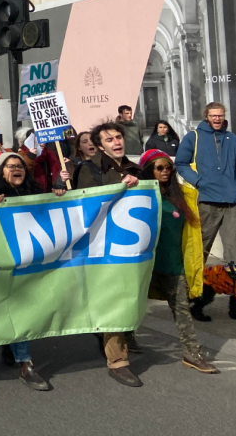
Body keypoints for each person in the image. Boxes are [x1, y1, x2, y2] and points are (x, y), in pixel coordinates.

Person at [0, 151, 66, 391]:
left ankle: (20, 355)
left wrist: (58, 194)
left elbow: (51, 213)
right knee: (14, 309)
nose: (16, 169)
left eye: (20, 166)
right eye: (9, 166)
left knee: (22, 310)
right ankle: (22, 358)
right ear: (0, 171)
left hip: (30, 261)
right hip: (3, 261)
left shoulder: (35, 193)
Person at [72, 121, 143, 387]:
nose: (116, 142)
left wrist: (140, 182)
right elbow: (87, 204)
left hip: (131, 244)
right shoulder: (89, 169)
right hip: (103, 246)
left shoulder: (135, 168)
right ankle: (118, 362)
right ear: (100, 146)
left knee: (128, 293)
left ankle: (121, 335)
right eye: (109, 139)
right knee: (114, 297)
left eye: (118, 137)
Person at [138, 149, 219, 373]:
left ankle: (192, 353)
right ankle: (124, 342)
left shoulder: (182, 195)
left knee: (182, 310)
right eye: (159, 168)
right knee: (133, 306)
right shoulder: (137, 196)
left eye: (168, 167)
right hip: (143, 264)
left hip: (174, 264)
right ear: (148, 171)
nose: (166, 172)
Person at [176, 102, 236, 267]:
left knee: (235, 251)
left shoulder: (232, 138)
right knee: (200, 248)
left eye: (220, 115)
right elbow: (181, 163)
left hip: (233, 202)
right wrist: (199, 182)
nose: (217, 118)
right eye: (213, 115)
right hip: (206, 201)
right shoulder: (193, 137)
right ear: (206, 116)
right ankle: (193, 290)